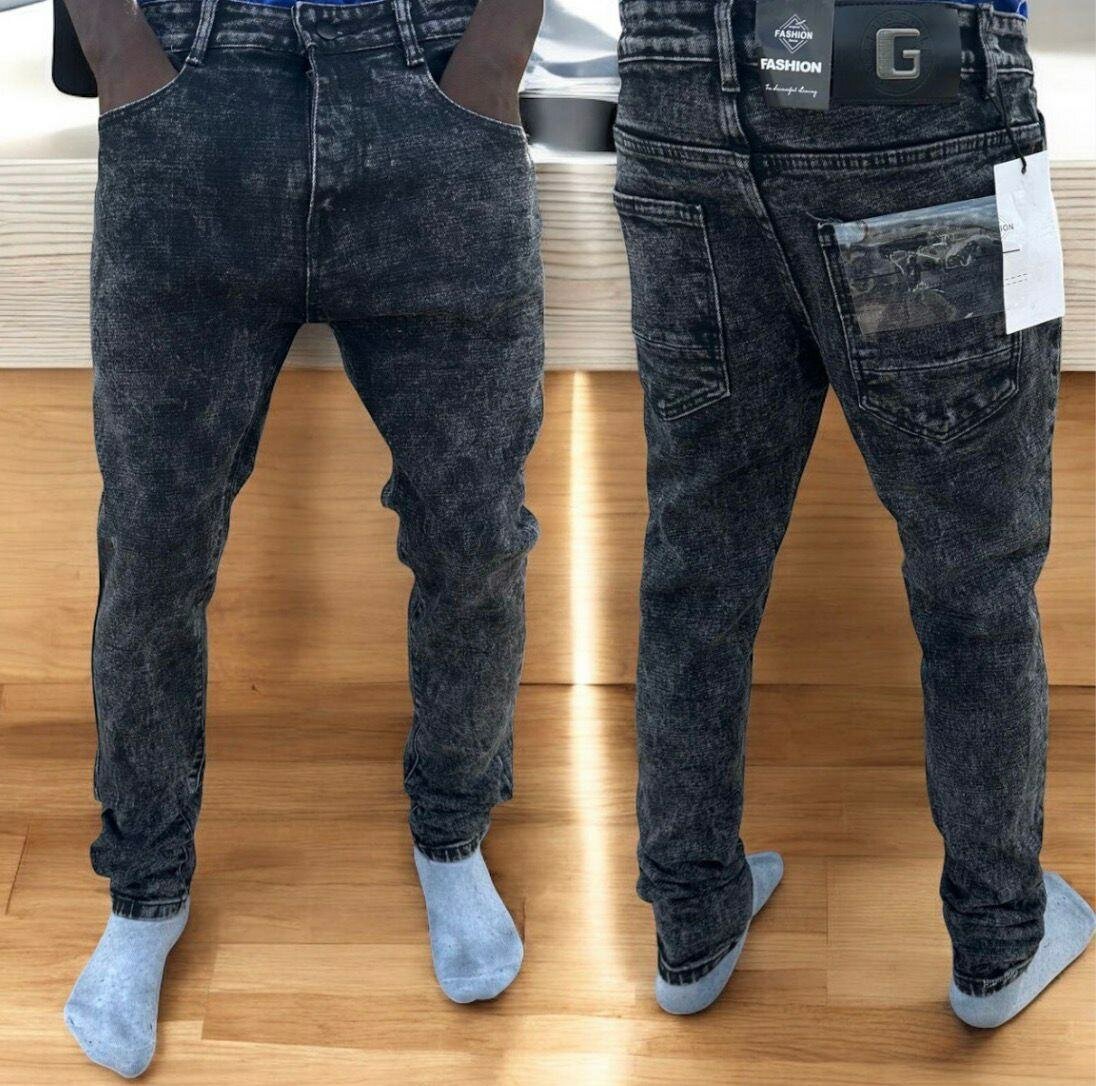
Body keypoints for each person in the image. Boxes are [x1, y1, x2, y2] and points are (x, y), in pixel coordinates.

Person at [60, 0, 544, 1076]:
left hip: (433, 90)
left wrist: (490, 62)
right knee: (151, 545)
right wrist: (121, 55)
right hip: (191, 90)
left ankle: (453, 829)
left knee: (474, 531)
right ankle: (144, 888)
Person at [612, 0, 1094, 1020]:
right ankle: (997, 939)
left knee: (698, 568)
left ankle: (691, 924)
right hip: (906, 80)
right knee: (972, 578)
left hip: (677, 73)